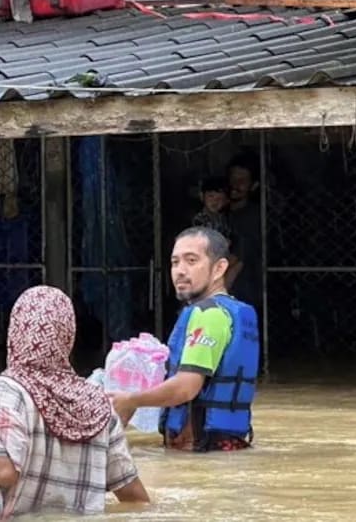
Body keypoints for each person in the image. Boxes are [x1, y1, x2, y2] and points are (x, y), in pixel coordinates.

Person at [0, 286, 150, 516]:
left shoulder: (10, 390)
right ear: (67, 336)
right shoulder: (98, 403)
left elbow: (3, 470)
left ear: (16, 331)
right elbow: (135, 497)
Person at [109, 227, 259, 453]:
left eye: (191, 260)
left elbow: (186, 388)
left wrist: (131, 400)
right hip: (225, 447)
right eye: (175, 262)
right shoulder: (233, 311)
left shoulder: (209, 315)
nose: (180, 270)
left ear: (219, 268)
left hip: (201, 450)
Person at [226, 153, 263, 310]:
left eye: (242, 181)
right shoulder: (218, 213)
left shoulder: (255, 216)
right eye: (233, 179)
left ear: (253, 186)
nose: (235, 185)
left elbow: (241, 254)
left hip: (244, 290)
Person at [192, 177, 244, 290]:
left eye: (220, 199)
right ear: (202, 196)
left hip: (219, 254)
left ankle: (221, 290)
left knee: (238, 262)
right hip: (205, 256)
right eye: (211, 196)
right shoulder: (200, 219)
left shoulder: (222, 219)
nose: (215, 202)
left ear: (226, 201)